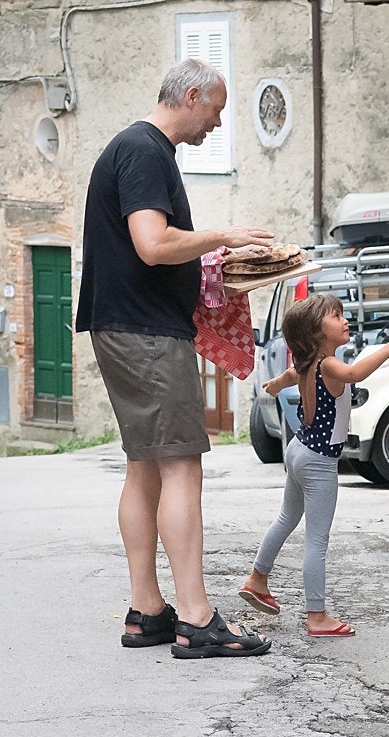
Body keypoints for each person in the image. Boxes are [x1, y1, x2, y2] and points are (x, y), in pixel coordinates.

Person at [76, 58, 275, 659]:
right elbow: (153, 243)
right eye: (214, 109)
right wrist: (222, 238)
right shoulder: (145, 151)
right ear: (190, 96)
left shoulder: (134, 148)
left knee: (144, 466)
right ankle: (196, 617)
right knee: (182, 466)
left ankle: (148, 611)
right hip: (147, 334)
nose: (216, 124)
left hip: (123, 325)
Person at [239, 295, 389, 636]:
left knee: (286, 519)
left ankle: (257, 579)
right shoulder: (330, 365)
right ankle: (317, 615)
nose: (345, 319)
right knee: (316, 541)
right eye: (336, 316)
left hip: (298, 449)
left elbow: (292, 373)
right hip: (318, 461)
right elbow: (355, 372)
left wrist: (278, 383)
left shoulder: (310, 363)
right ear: (315, 333)